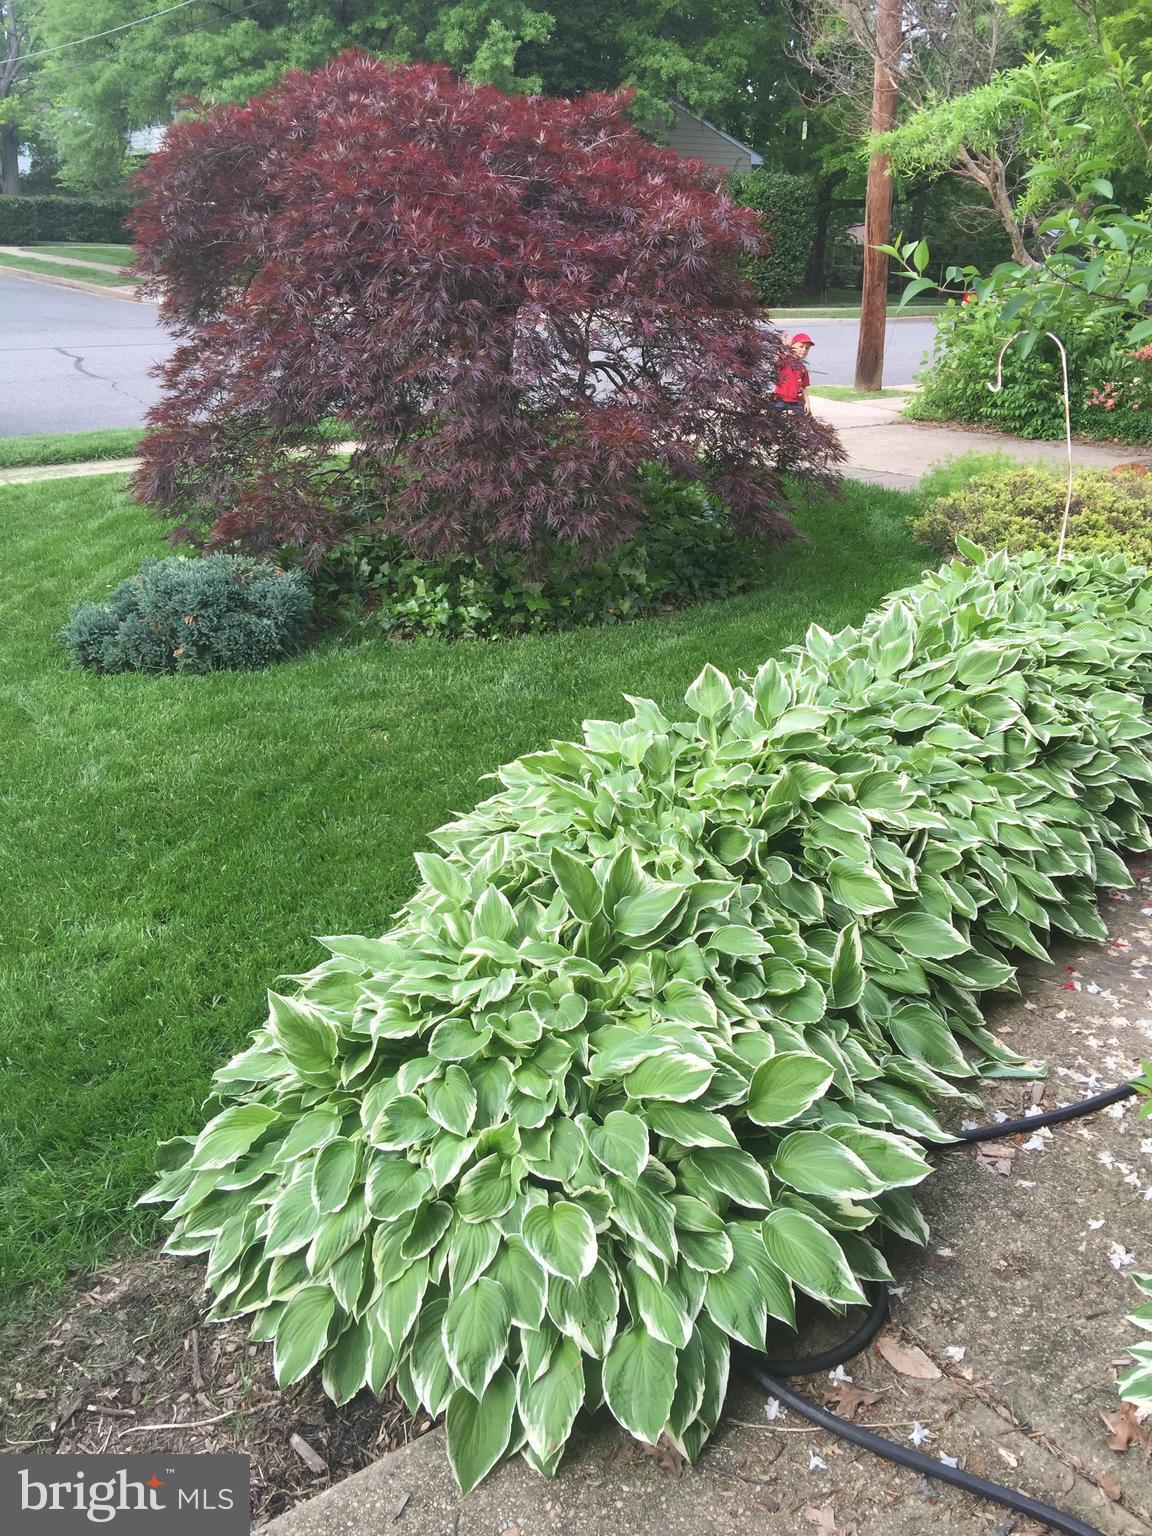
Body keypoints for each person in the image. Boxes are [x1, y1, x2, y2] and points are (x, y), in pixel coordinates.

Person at [773, 333, 814, 415]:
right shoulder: (785, 360)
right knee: (771, 417)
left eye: (807, 348)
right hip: (780, 399)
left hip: (796, 402)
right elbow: (775, 360)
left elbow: (804, 387)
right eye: (801, 346)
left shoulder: (803, 368)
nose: (804, 350)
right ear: (792, 346)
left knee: (802, 420)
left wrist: (807, 402)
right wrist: (782, 347)